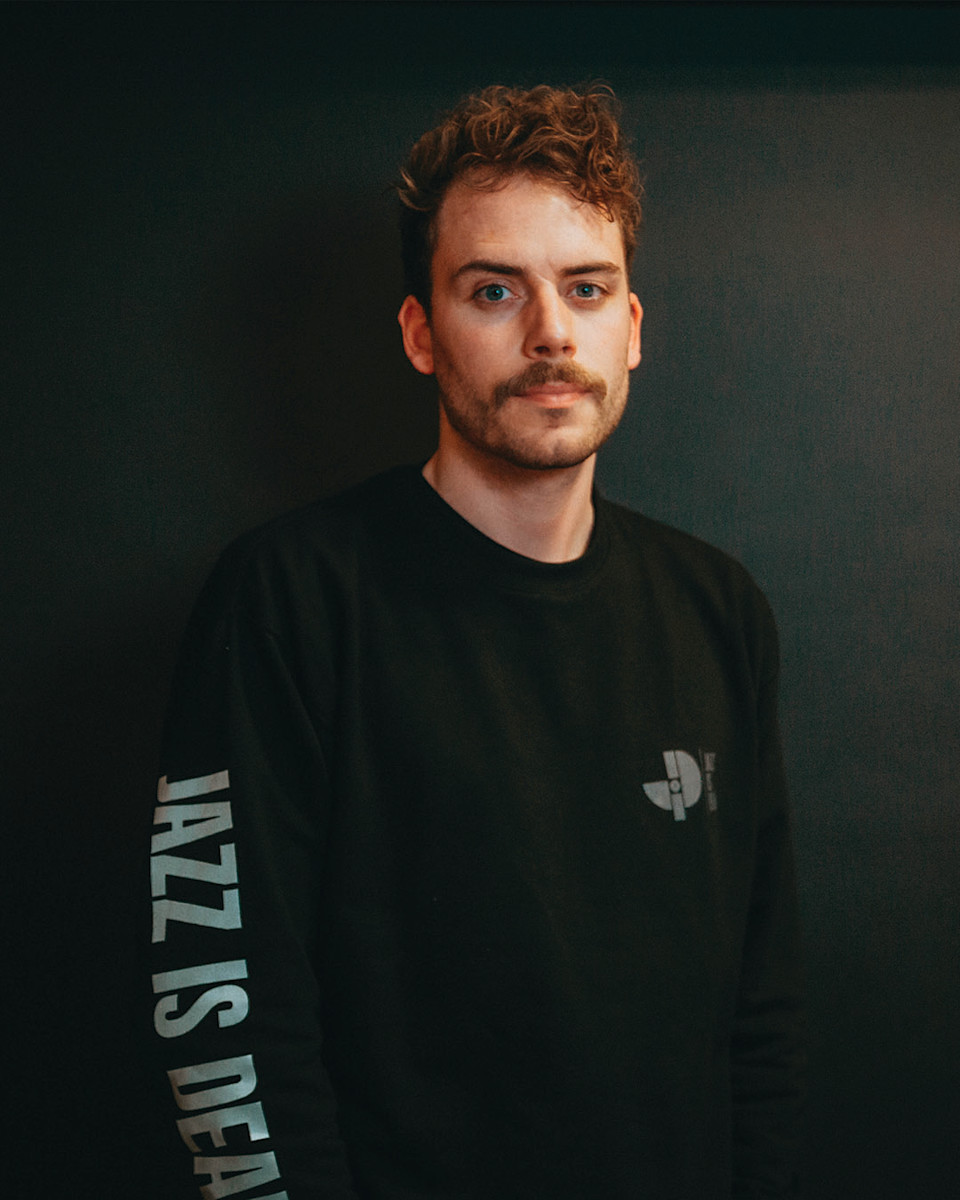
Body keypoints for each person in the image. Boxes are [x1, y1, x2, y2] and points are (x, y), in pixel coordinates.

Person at [148, 84, 804, 1200]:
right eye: (495, 290)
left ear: (632, 329)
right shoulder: (290, 601)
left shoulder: (718, 610)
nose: (550, 331)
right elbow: (223, 1002)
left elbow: (764, 1006)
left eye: (586, 288)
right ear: (420, 333)